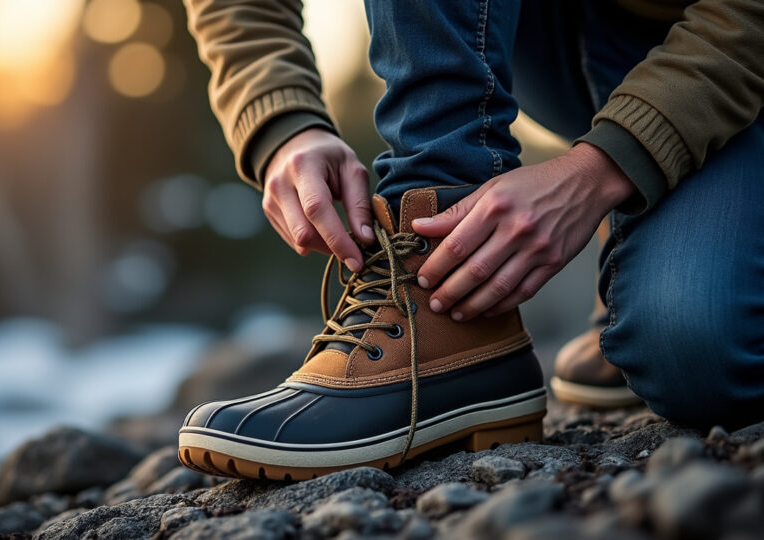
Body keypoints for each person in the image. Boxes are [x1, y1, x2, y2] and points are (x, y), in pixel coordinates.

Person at [176, 0, 764, 480]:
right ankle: (453, 331)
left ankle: (647, 224)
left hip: (734, 40)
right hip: (549, 33)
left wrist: (607, 168)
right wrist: (282, 123)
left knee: (696, 353)